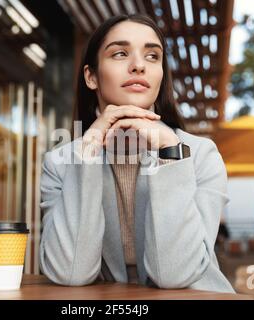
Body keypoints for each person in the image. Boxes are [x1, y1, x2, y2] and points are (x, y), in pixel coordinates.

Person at [39, 14, 234, 293]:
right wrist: (88, 152)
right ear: (91, 77)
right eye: (120, 53)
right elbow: (69, 272)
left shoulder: (201, 155)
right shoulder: (59, 163)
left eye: (153, 56)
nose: (139, 66)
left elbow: (174, 275)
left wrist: (169, 152)